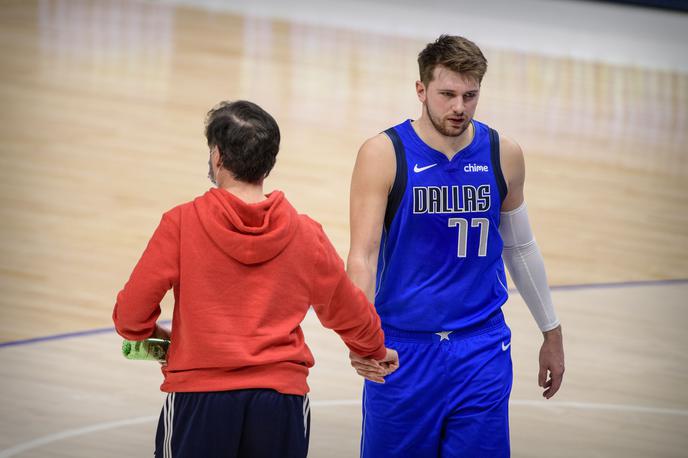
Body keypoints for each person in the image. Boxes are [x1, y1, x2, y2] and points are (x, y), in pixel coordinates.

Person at [112, 100, 399, 458]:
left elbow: (130, 317)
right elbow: (349, 310)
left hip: (199, 398)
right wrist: (372, 349)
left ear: (217, 156)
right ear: (269, 161)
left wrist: (162, 340)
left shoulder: (181, 224)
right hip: (281, 403)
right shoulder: (306, 233)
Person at [347, 35, 565, 457]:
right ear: (421, 90)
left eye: (470, 95)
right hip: (403, 350)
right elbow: (363, 254)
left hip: (481, 349)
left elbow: (519, 247)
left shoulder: (504, 153)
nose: (459, 107)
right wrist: (361, 338)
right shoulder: (383, 154)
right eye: (447, 94)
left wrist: (551, 333)